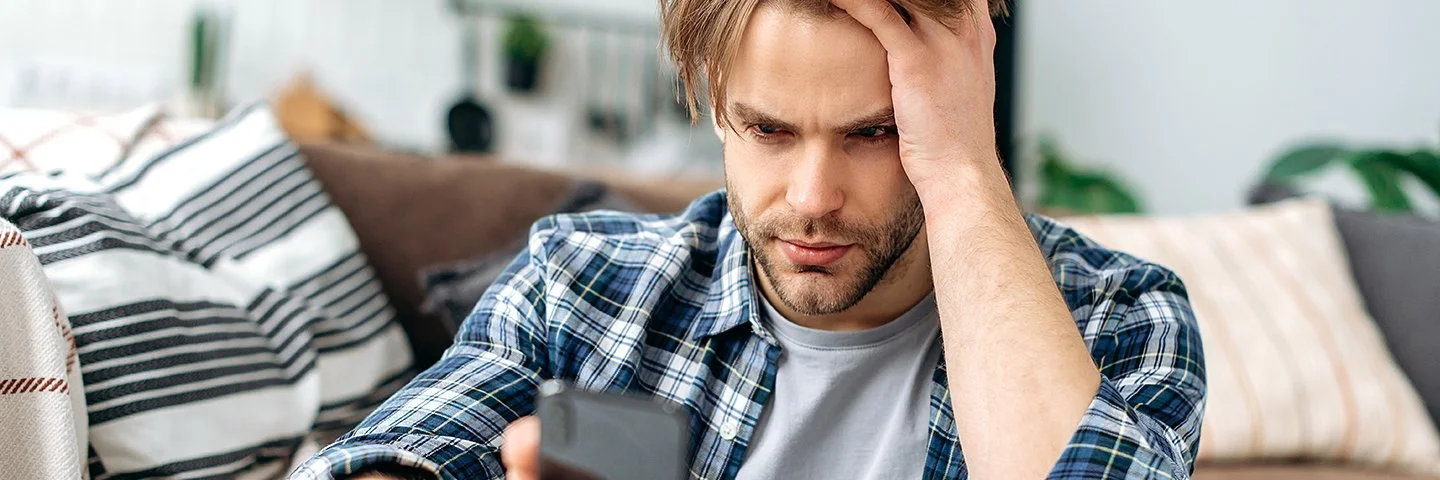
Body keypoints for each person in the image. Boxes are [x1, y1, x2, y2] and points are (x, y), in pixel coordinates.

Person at [291, 0, 1205, 478]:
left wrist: (963, 172)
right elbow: (393, 455)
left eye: (875, 132)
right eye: (768, 130)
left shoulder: (1121, 314)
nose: (812, 200)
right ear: (708, 103)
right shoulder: (577, 286)